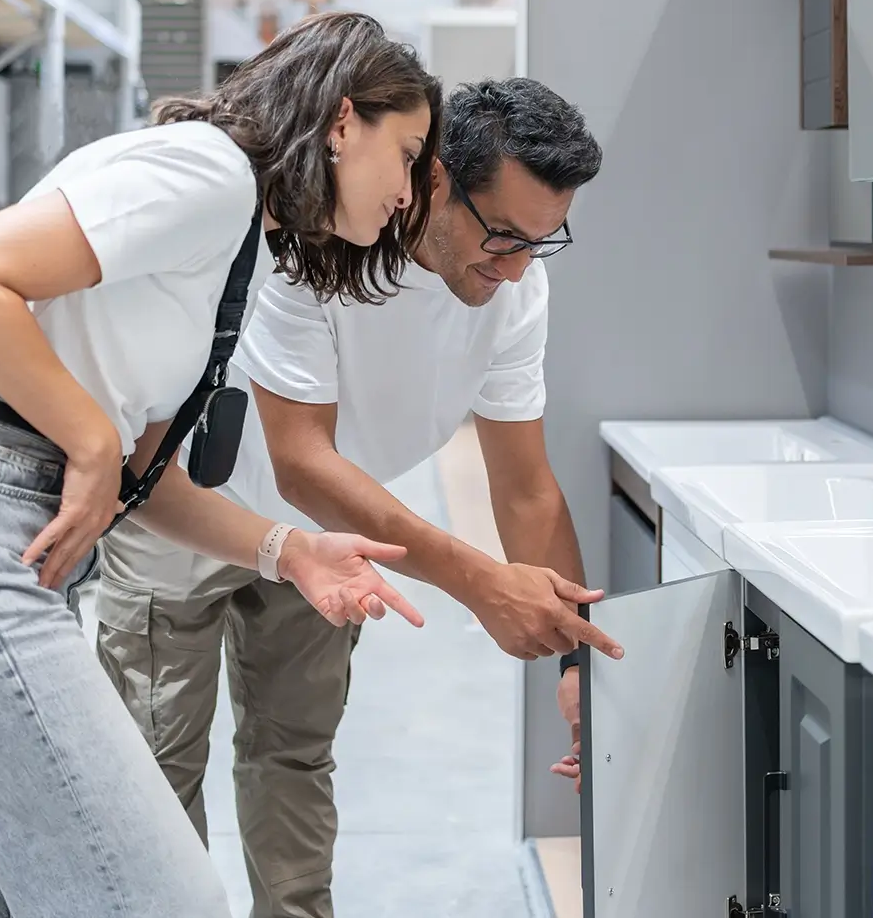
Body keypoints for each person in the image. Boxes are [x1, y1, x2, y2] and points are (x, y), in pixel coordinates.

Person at [0, 13, 443, 918]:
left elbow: (144, 480)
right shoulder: (209, 171)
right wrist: (86, 437)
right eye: (408, 152)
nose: (408, 190)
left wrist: (292, 551)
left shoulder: (236, 238)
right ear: (343, 121)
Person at [94, 78, 612, 918]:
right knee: (154, 763)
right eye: (505, 236)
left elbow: (525, 487)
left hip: (329, 540)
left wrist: (575, 657)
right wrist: (480, 584)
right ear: (436, 180)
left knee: (294, 756)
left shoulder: (515, 290)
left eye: (541, 244)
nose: (516, 267)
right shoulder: (316, 248)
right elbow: (300, 461)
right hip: (188, 509)